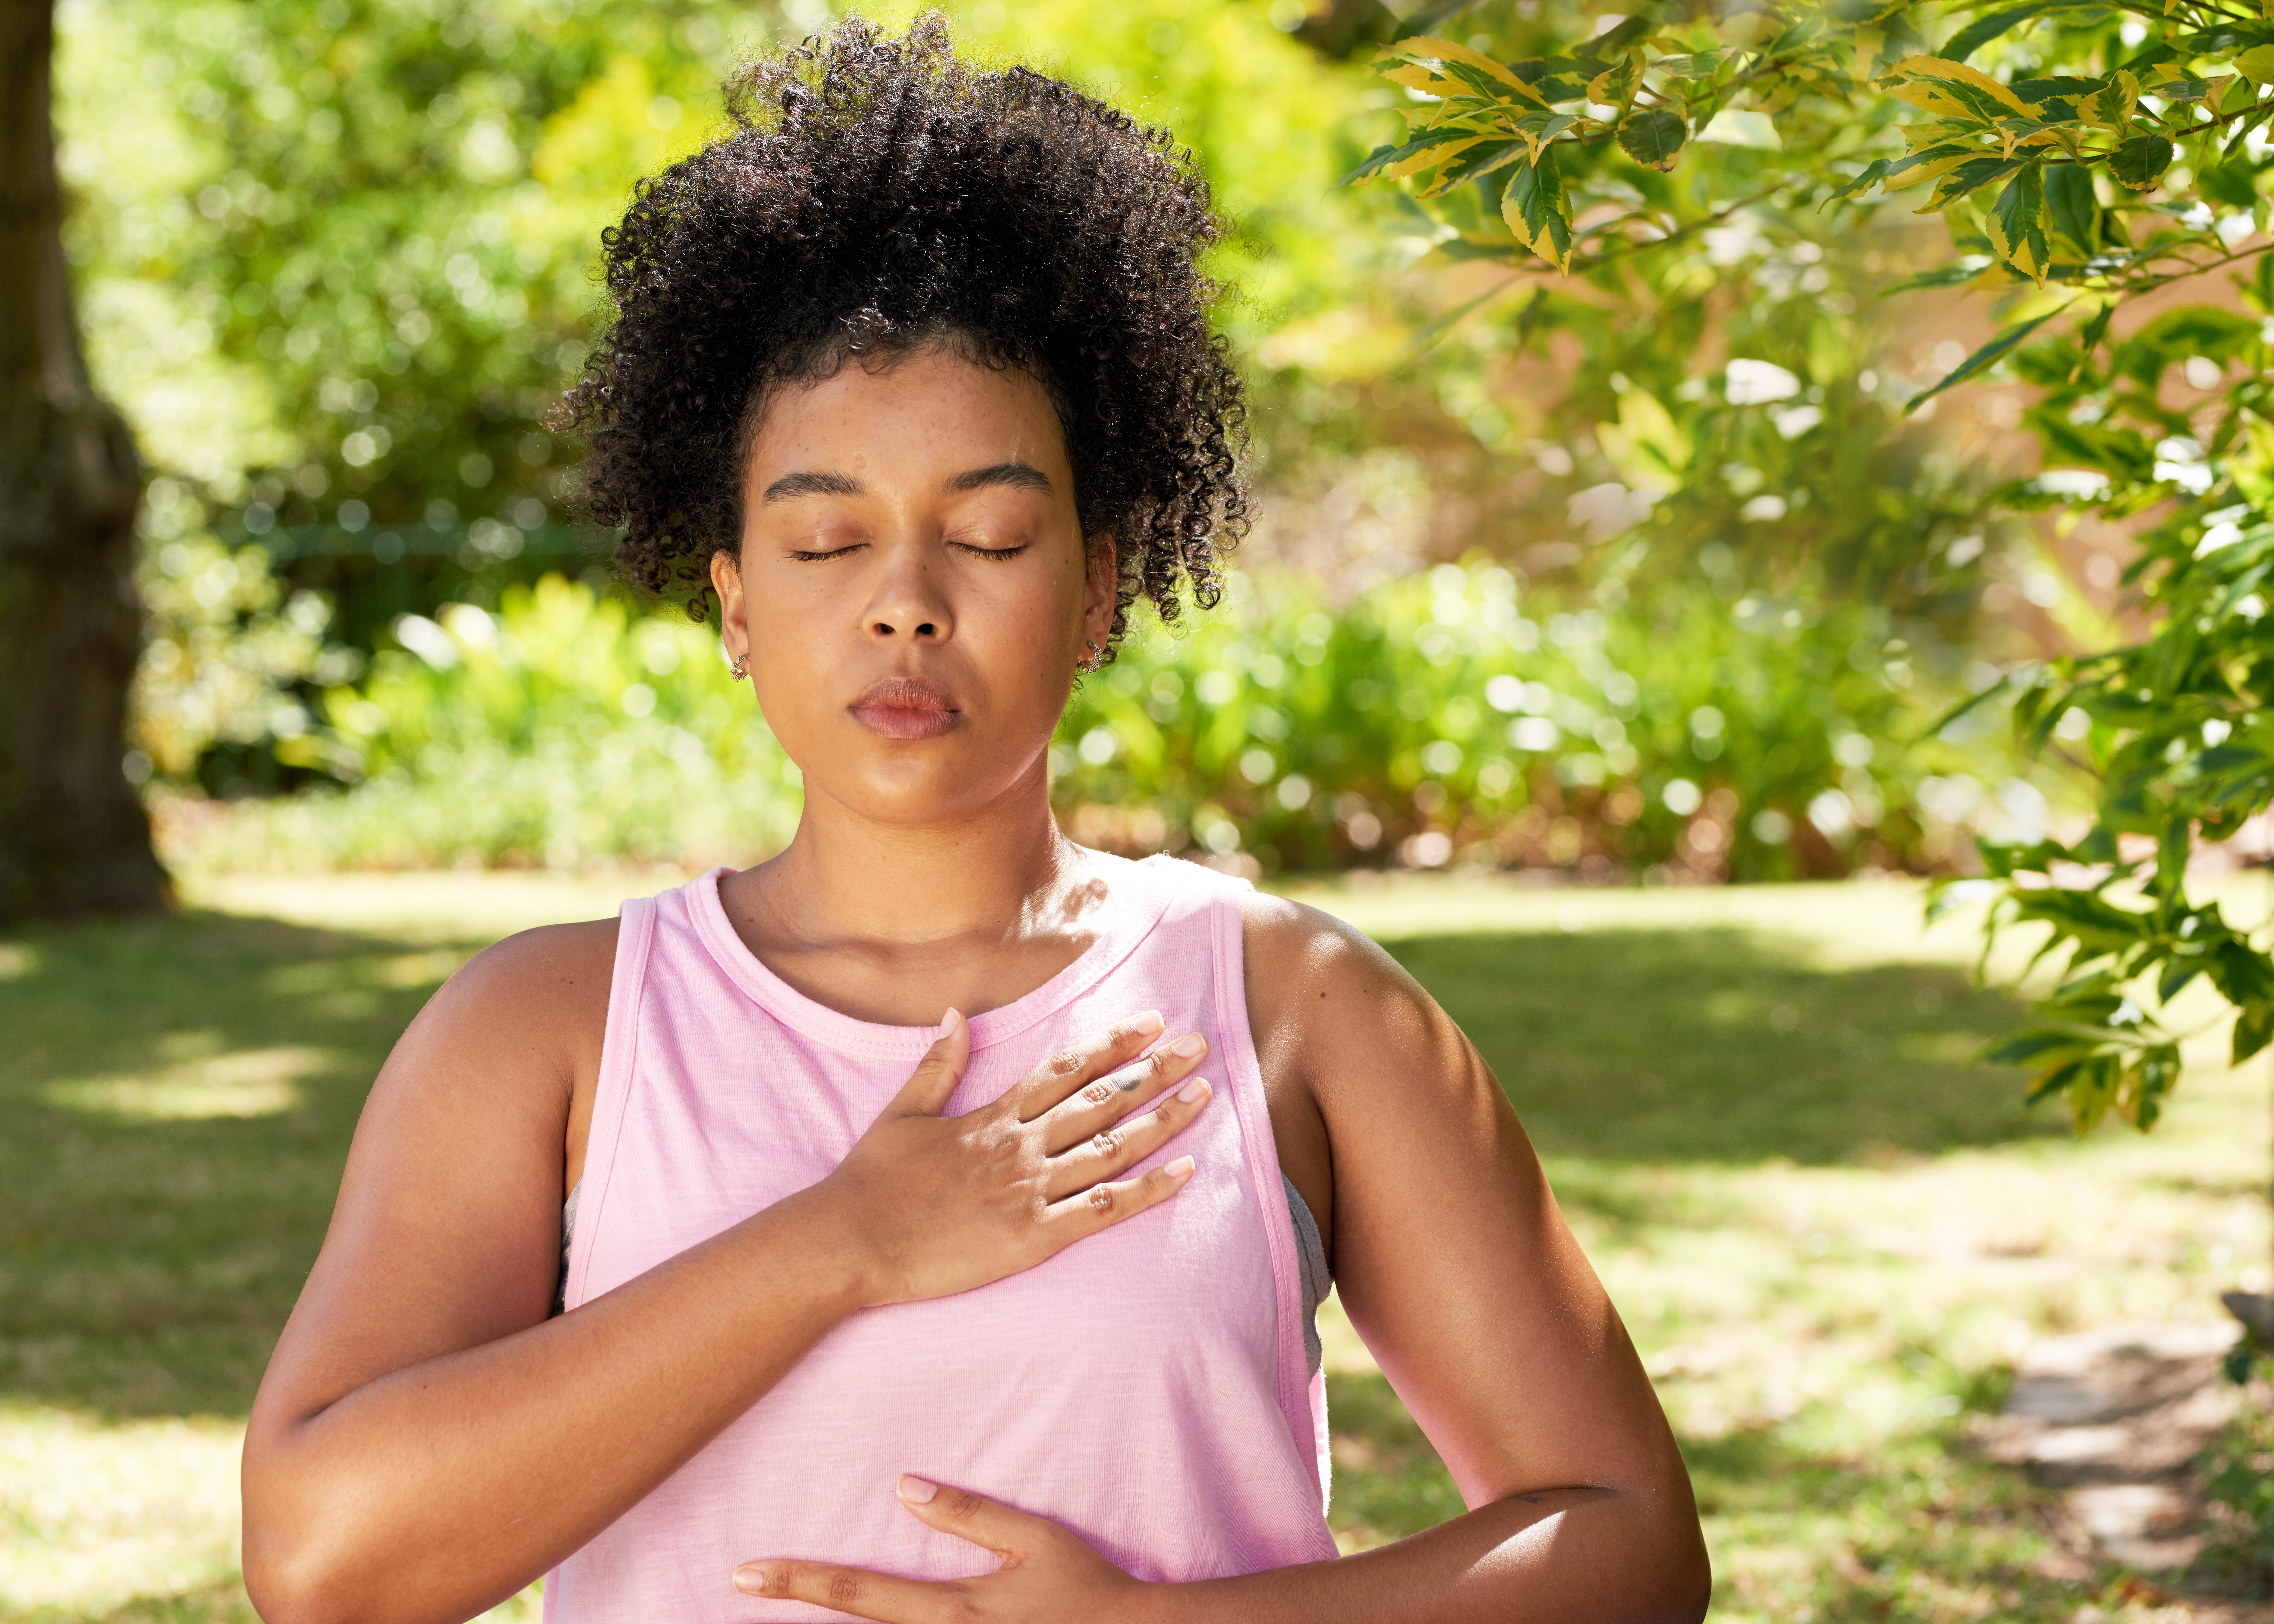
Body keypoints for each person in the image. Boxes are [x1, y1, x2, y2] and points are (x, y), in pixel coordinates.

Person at [239, 18, 1710, 1624]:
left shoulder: (1295, 1005)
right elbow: (323, 1564)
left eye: (992, 534)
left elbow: (1626, 1543)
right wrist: (846, 1240)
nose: (905, 608)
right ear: (732, 604)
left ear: (1097, 589)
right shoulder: (547, 1031)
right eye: (823, 545)